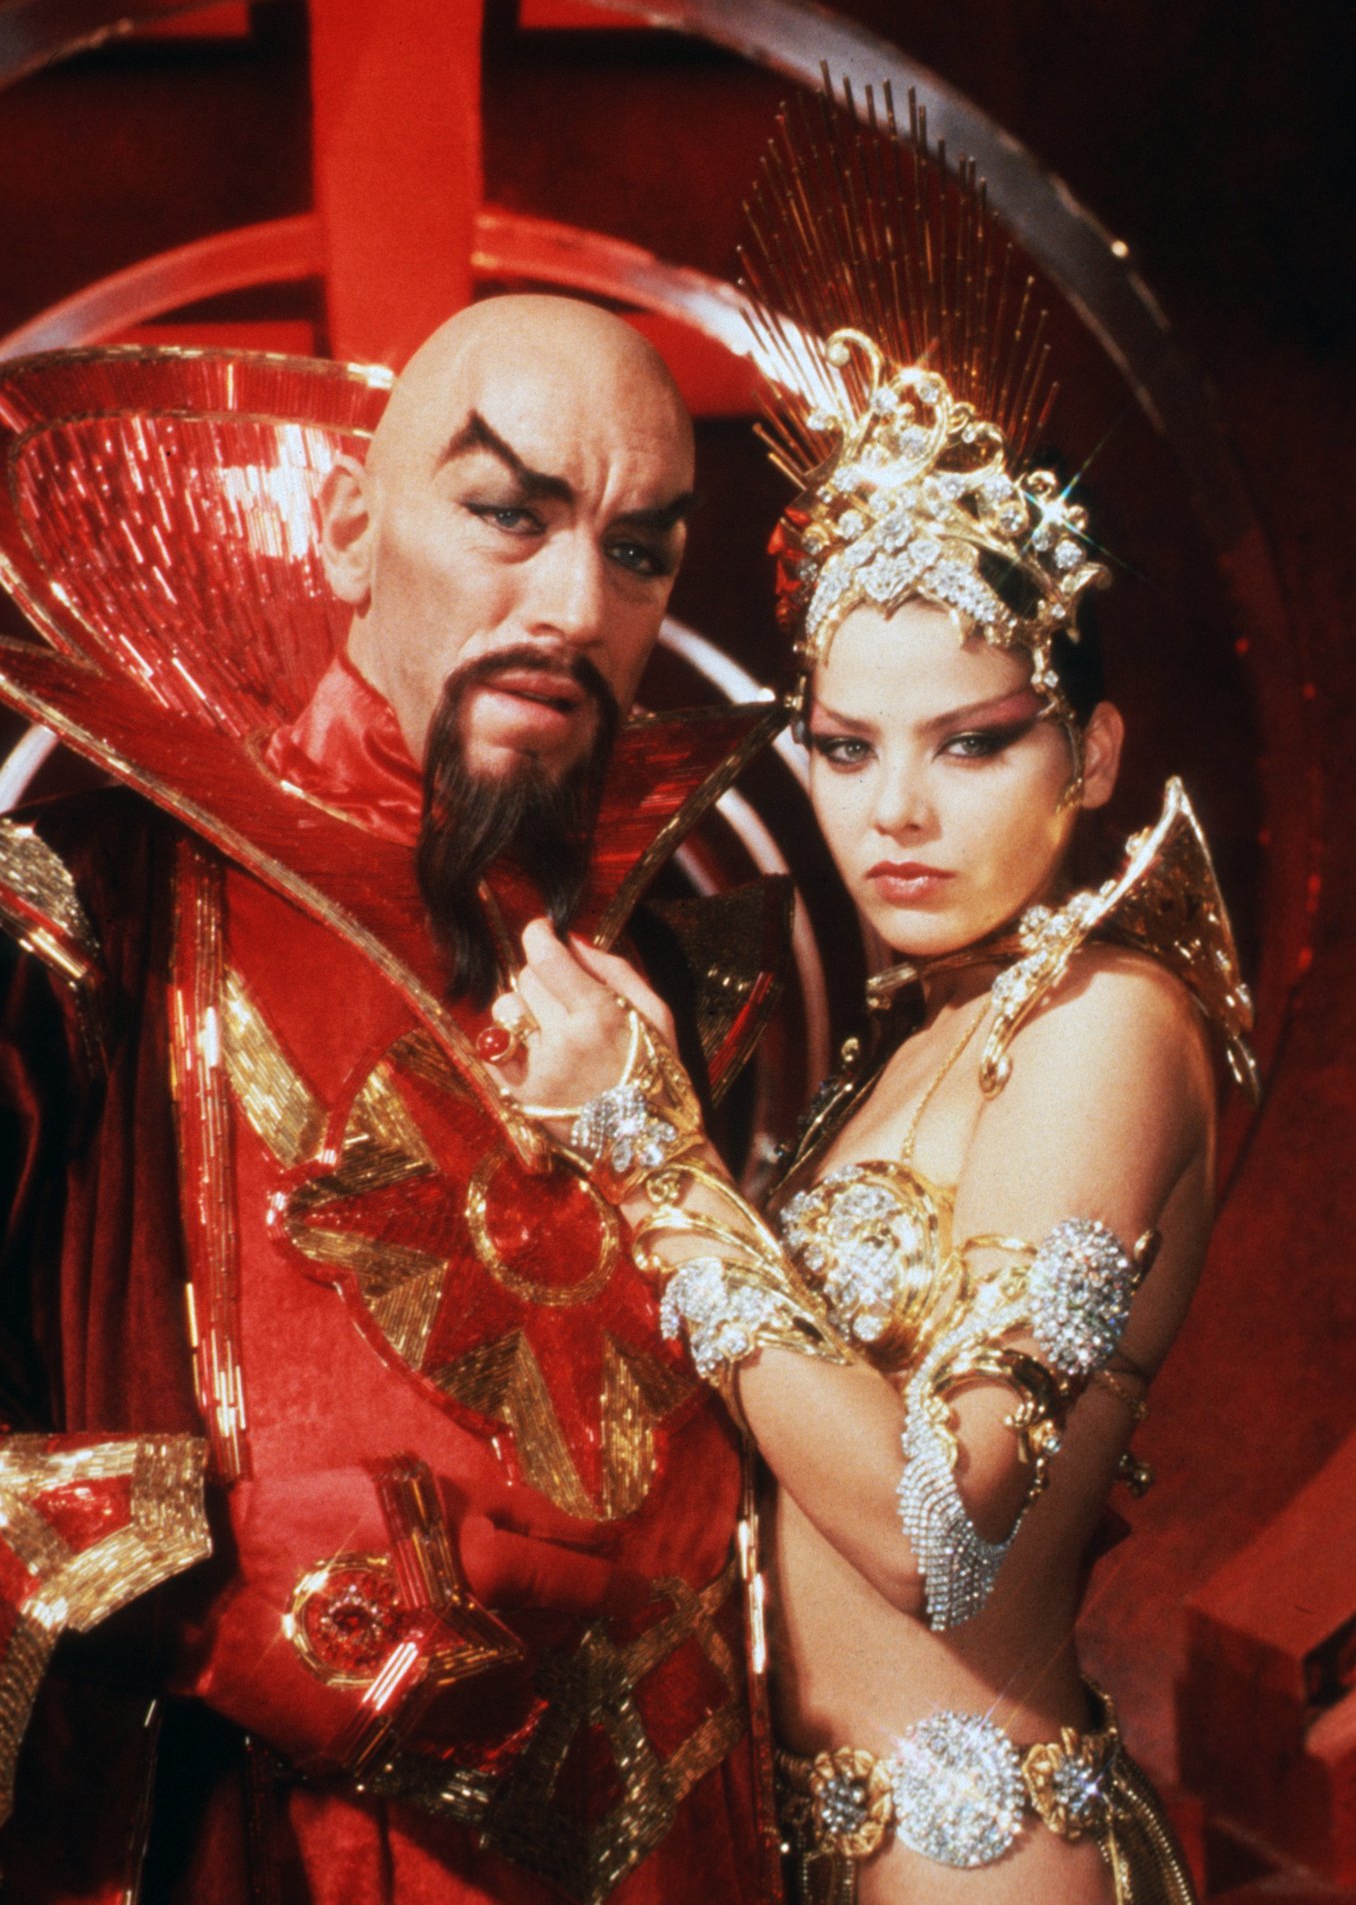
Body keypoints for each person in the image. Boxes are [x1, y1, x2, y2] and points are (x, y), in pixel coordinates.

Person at [486, 97, 1257, 1903]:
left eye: (971, 743)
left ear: (1091, 758)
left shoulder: (1107, 1027)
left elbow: (940, 1538)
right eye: (844, 748)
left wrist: (650, 1152)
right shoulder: (911, 1039)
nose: (894, 811)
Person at [0, 295, 788, 1902]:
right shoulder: (80, 926)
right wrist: (213, 1574)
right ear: (351, 530)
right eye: (507, 514)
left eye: (638, 552)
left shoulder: (692, 985)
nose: (574, 605)